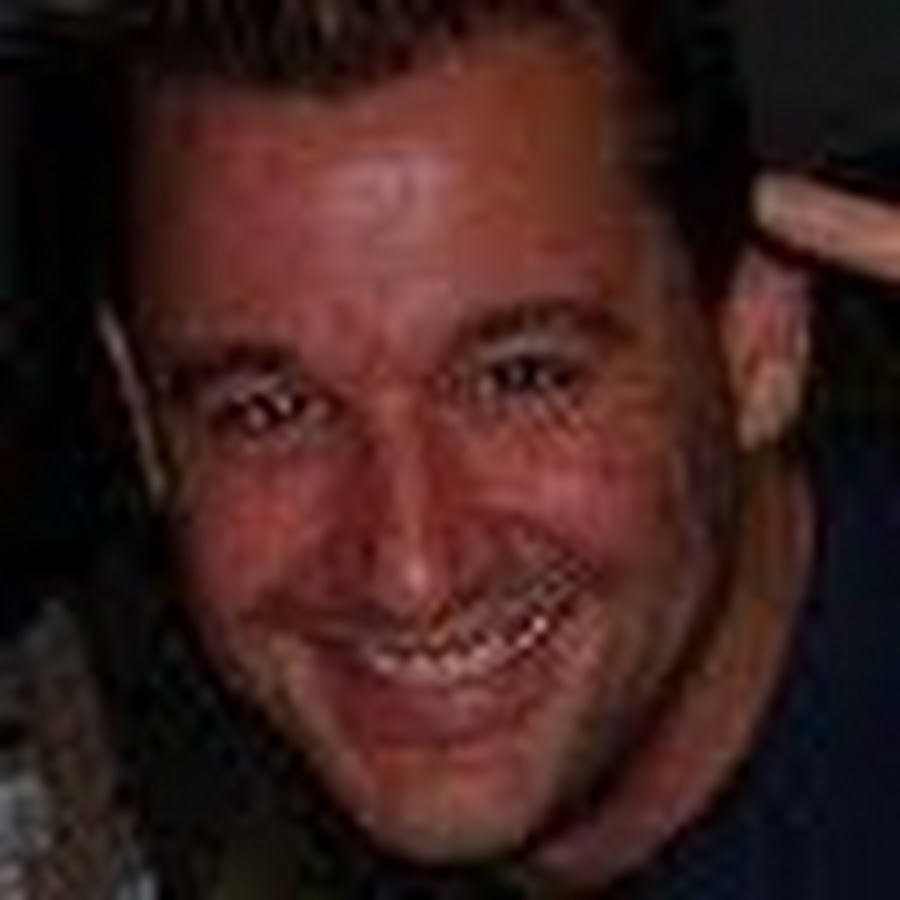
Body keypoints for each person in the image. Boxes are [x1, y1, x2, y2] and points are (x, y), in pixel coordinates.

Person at [30, 0, 900, 896]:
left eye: (521, 379)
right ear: (141, 416)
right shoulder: (116, 763)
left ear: (755, 344)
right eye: (270, 411)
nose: (411, 572)